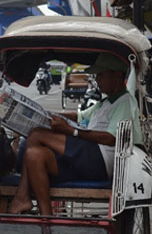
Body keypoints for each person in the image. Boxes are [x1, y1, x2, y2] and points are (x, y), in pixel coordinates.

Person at [8, 53, 143, 216]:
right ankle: (47, 217)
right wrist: (46, 114)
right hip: (87, 158)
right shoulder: (105, 102)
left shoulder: (124, 102)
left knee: (37, 135)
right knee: (34, 154)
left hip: (101, 160)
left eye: (101, 75)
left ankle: (22, 196)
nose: (97, 79)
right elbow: (79, 116)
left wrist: (73, 131)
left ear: (117, 76)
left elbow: (110, 138)